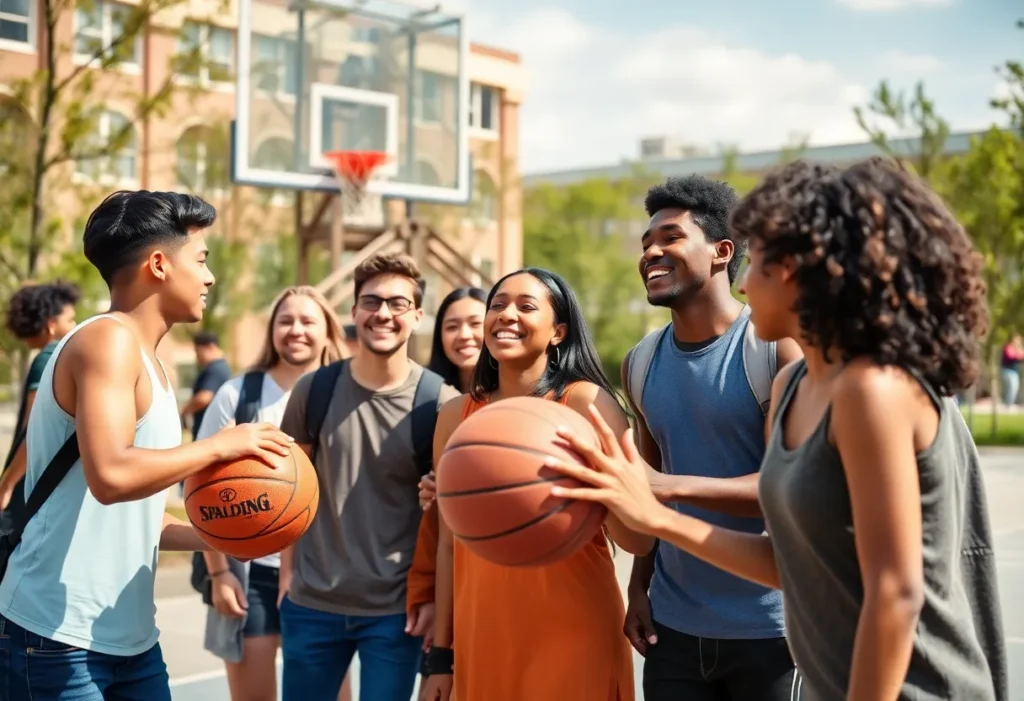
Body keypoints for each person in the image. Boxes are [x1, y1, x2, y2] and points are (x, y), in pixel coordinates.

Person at [544, 159, 1008, 701]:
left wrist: (664, 493)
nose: (747, 278)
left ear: (803, 271)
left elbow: (896, 592)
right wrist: (656, 523)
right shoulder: (799, 388)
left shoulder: (871, 389)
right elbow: (789, 563)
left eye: (758, 261)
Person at [0, 190, 294, 701]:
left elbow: (141, 516)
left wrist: (237, 532)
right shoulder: (106, 340)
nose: (209, 277)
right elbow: (112, 477)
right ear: (159, 264)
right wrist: (223, 445)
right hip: (55, 639)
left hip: (131, 642)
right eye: (201, 260)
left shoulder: (151, 362)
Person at [419, 268, 653, 701]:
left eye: (526, 306)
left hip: (572, 623)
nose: (506, 315)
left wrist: (605, 489)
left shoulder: (584, 403)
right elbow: (449, 544)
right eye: (497, 305)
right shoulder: (454, 416)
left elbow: (638, 539)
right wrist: (441, 655)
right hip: (483, 629)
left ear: (558, 331)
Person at [620, 174, 802, 700]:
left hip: (771, 629)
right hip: (672, 627)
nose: (652, 251)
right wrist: (637, 587)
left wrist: (664, 488)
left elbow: (782, 491)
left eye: (670, 237)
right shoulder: (641, 362)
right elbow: (649, 493)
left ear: (722, 251)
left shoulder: (774, 351)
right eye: (646, 243)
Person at [277, 253, 459, 701]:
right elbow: (286, 489)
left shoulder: (440, 403)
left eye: (397, 304)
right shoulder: (313, 390)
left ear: (417, 316)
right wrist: (287, 576)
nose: (383, 313)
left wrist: (435, 597)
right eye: (371, 302)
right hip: (312, 603)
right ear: (354, 312)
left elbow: (448, 521)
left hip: (397, 611)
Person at [196, 286, 345, 701]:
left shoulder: (344, 393)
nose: (295, 330)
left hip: (323, 572)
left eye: (308, 320)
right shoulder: (238, 394)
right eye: (285, 320)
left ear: (328, 331)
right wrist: (219, 573)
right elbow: (201, 489)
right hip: (250, 573)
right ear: (272, 330)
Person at [0, 281, 81, 533]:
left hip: (29, 486)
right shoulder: (60, 356)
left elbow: (33, 430)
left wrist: (6, 484)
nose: (75, 325)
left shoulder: (48, 358)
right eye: (71, 319)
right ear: (51, 324)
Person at [183, 330, 231, 441]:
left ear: (209, 347)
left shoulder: (215, 369)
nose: (197, 357)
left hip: (209, 435)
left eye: (197, 352)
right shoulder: (221, 367)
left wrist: (184, 410)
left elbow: (204, 397)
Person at [1000, 334, 1022, 407]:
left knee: (1014, 387)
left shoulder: (1018, 349)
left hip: (1014, 371)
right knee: (1011, 387)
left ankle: (1009, 403)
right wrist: (1018, 354)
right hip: (1007, 370)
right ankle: (1008, 404)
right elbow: (1011, 356)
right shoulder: (1008, 348)